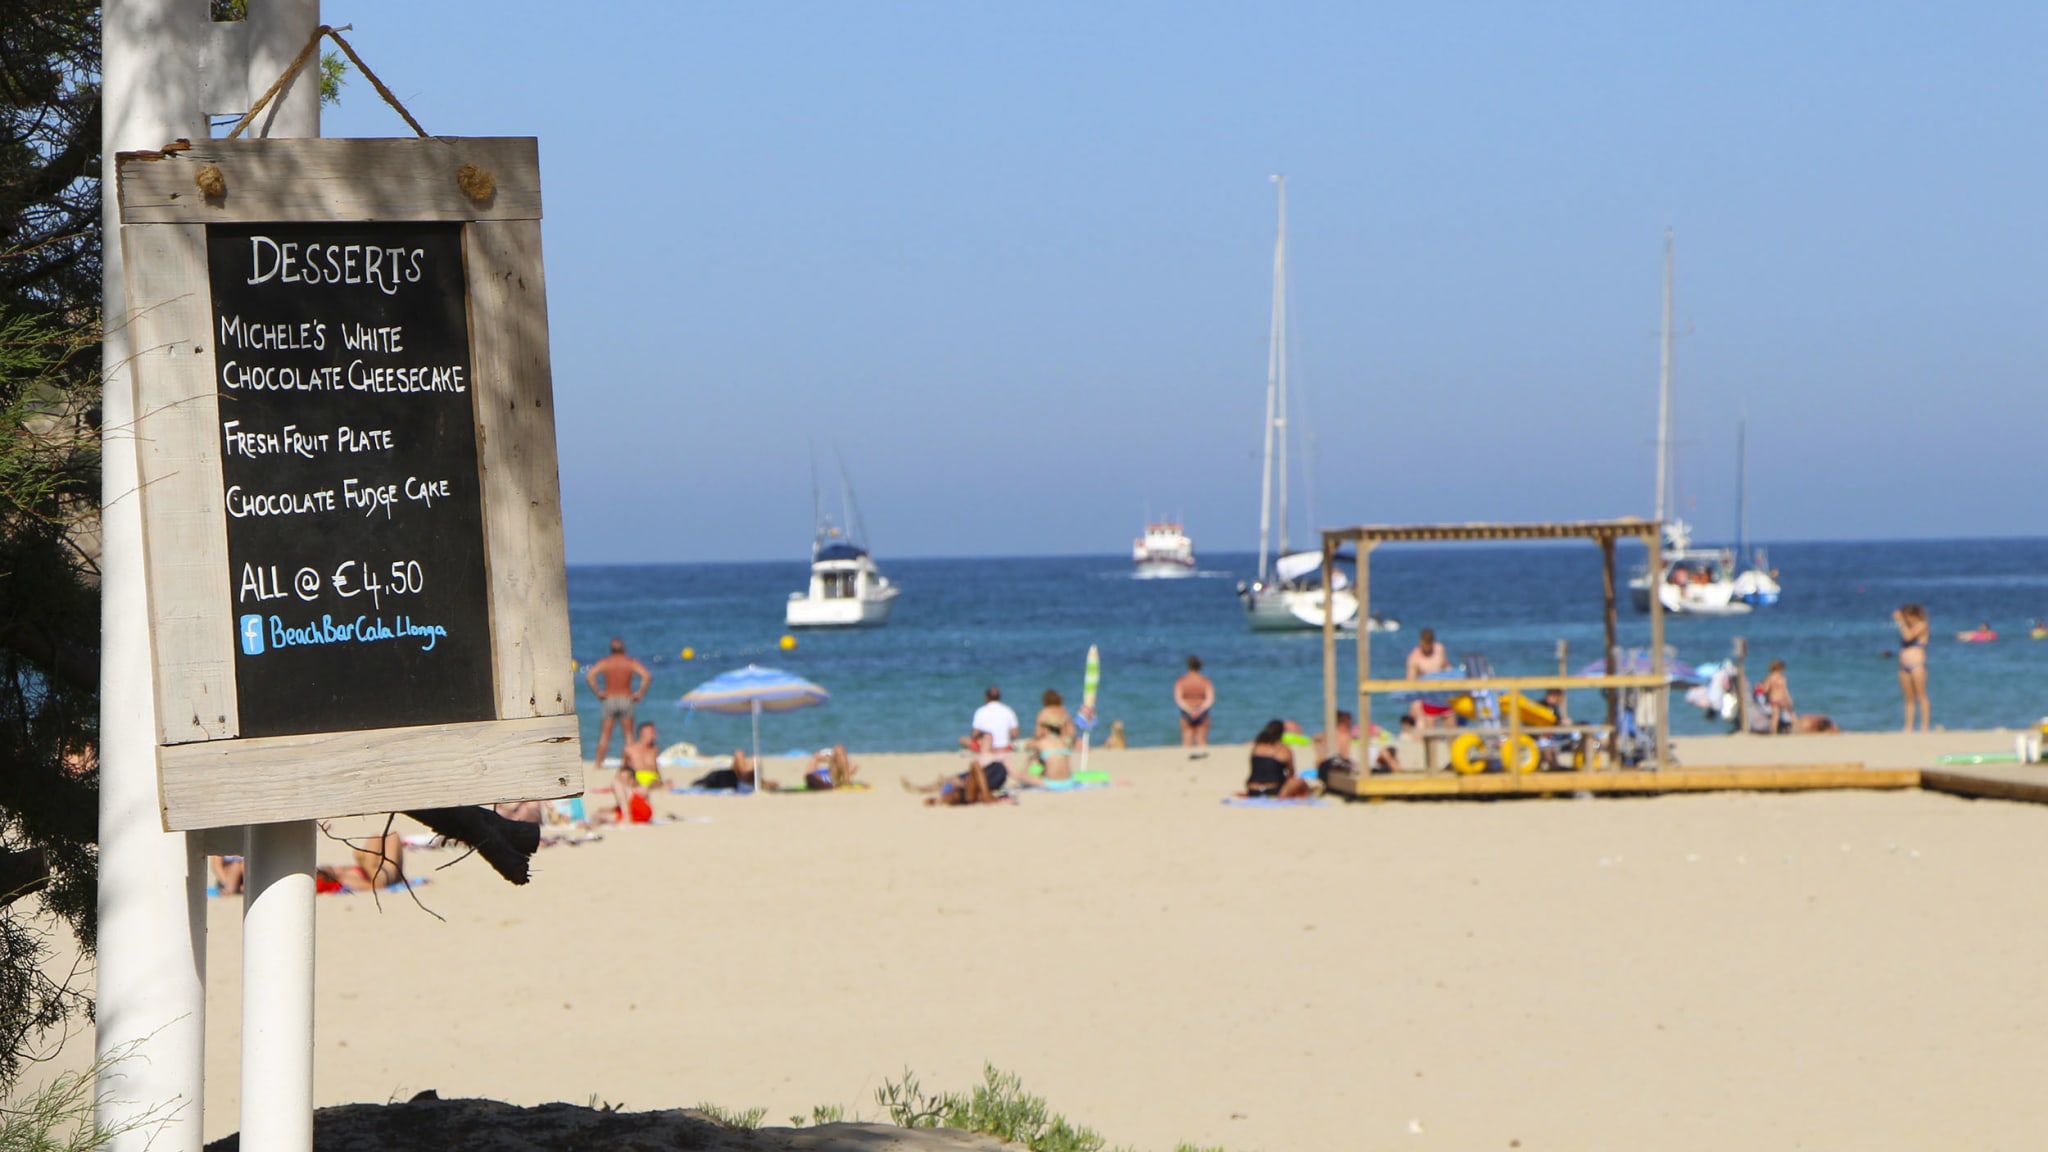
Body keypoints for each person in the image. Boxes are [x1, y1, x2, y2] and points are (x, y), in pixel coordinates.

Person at [585, 639, 651, 774]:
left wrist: (598, 691)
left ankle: (598, 763)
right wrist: (639, 693)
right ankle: (628, 763)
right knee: (628, 735)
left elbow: (590, 675)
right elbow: (646, 676)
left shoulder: (606, 662)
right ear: (623, 649)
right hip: (626, 698)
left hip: (609, 698)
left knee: (605, 734)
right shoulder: (629, 662)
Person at [1244, 719, 1313, 799]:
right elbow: (1291, 773)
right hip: (1274, 790)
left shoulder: (1257, 748)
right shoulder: (1283, 749)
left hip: (1253, 790)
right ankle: (1309, 792)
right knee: (1300, 781)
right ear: (1282, 733)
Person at [1405, 629, 1452, 729]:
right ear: (1421, 642)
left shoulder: (1439, 649)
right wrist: (1414, 705)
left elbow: (1446, 666)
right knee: (1430, 731)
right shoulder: (1414, 658)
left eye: (1429, 644)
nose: (1427, 647)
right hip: (1428, 698)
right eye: (1425, 644)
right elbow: (1410, 682)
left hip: (1443, 693)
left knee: (1451, 725)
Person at [1894, 603, 1930, 732]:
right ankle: (1908, 726)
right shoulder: (1906, 627)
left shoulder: (1922, 625)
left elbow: (1908, 636)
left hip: (1917, 665)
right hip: (1904, 666)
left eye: (1908, 617)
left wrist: (1900, 622)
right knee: (1908, 698)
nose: (1907, 620)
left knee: (1921, 696)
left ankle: (1924, 726)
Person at [616, 721, 665, 808]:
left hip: (652, 778)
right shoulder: (629, 748)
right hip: (637, 777)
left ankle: (639, 789)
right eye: (652, 732)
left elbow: (656, 768)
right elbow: (623, 767)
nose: (655, 735)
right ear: (642, 733)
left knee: (650, 783)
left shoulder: (654, 749)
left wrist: (662, 781)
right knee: (624, 776)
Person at [1174, 656, 1216, 755]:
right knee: (1201, 739)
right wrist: (1200, 710)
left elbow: (1178, 699)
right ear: (1200, 667)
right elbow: (1210, 699)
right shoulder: (1205, 681)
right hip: (1202, 712)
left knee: (1186, 740)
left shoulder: (1181, 681)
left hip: (1187, 712)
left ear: (1188, 666)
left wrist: (1189, 710)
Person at [1033, 689, 1076, 781]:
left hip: (1049, 742)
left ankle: (1044, 771)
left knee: (1039, 750)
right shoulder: (1064, 712)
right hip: (1065, 742)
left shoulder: (1044, 712)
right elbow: (1072, 732)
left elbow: (1037, 733)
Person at [966, 686, 1020, 759]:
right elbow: (1015, 733)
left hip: (986, 747)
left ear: (986, 697)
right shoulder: (1008, 710)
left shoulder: (981, 711)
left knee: (963, 739)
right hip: (1004, 747)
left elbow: (974, 734)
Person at [1753, 660, 1795, 733]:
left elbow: (1765, 690)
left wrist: (1760, 687)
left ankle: (1773, 731)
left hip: (1774, 699)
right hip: (1782, 699)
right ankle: (1796, 727)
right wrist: (1789, 698)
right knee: (1791, 713)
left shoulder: (1770, 678)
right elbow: (1785, 690)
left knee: (1775, 716)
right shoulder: (1782, 678)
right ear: (1780, 669)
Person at [690, 750, 756, 792]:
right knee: (740, 754)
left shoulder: (713, 777)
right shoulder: (714, 778)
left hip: (736, 779)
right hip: (738, 781)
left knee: (739, 754)